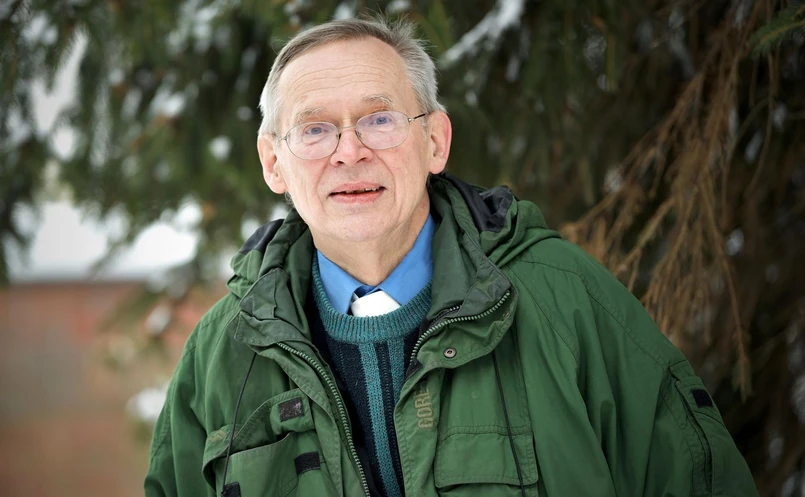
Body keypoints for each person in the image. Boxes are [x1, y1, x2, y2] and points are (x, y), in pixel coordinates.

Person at [144, 16, 758, 497]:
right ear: (273, 162)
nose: (349, 151)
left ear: (435, 141)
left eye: (379, 119)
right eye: (314, 129)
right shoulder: (222, 356)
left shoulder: (564, 300)